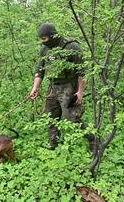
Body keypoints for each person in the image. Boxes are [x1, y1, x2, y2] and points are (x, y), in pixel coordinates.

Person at [29, 23, 95, 151]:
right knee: (50, 117)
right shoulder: (45, 49)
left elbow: (82, 72)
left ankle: (93, 139)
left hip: (70, 87)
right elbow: (39, 70)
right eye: (41, 39)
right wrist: (35, 87)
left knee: (72, 119)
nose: (43, 42)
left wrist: (80, 93)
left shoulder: (71, 46)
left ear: (52, 36)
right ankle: (53, 144)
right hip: (53, 87)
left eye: (44, 38)